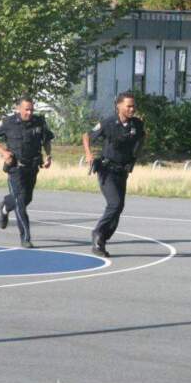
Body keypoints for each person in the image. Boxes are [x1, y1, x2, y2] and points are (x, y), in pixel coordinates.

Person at [0, 97, 53, 248]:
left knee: (26, 199)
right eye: (27, 109)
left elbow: (46, 139)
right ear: (19, 109)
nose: (29, 112)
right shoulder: (8, 122)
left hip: (32, 167)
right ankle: (25, 238)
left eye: (31, 109)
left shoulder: (39, 122)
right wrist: (3, 152)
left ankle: (5, 206)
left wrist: (48, 156)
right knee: (20, 203)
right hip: (15, 168)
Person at [82, 92, 145, 258]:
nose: (132, 109)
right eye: (129, 106)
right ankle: (97, 234)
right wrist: (88, 154)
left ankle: (102, 239)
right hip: (106, 170)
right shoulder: (109, 122)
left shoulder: (137, 124)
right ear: (119, 106)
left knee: (118, 208)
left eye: (133, 106)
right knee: (114, 204)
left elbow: (141, 141)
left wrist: (133, 159)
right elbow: (87, 136)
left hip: (122, 171)